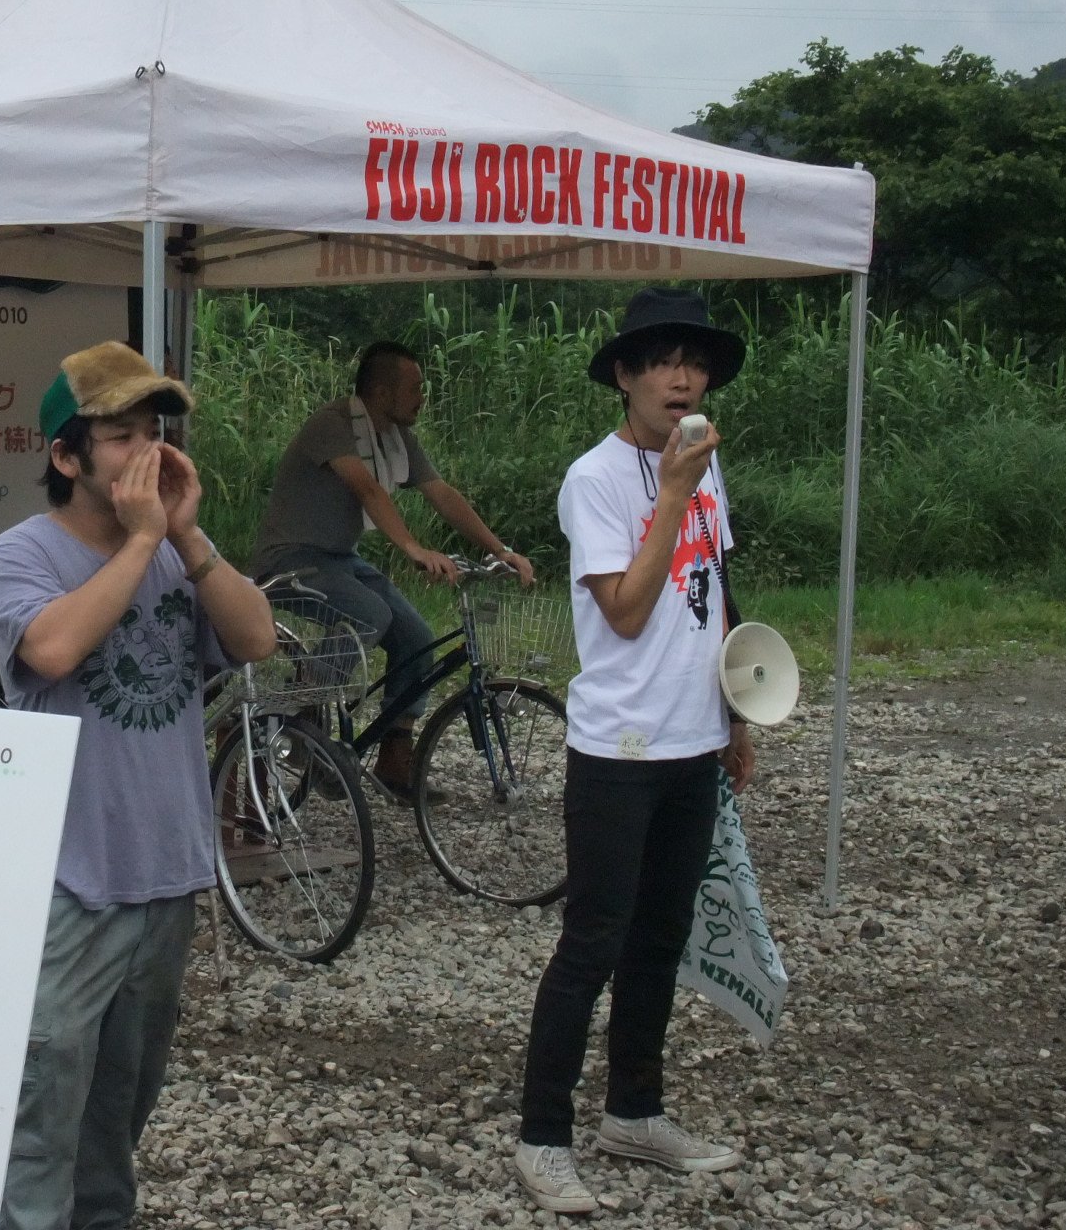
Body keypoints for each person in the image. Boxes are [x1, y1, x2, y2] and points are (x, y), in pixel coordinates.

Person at [0, 339, 275, 1230]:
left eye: (156, 429)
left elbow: (257, 638)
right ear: (65, 457)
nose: (148, 449)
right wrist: (148, 534)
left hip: (168, 873)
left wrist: (183, 534)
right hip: (71, 881)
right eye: (121, 435)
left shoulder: (173, 549)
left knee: (122, 1107)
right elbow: (54, 649)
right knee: (42, 1105)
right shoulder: (20, 553)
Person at [514, 288, 758, 1215]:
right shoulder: (601, 478)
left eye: (692, 361)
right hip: (619, 746)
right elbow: (625, 607)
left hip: (695, 740)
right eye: (659, 360)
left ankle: (635, 1111)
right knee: (593, 944)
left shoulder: (702, 465)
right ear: (624, 376)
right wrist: (669, 495)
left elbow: (717, 582)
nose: (681, 376)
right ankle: (543, 1138)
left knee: (661, 939)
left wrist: (737, 712)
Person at [249, 339, 532, 796]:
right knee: (369, 614)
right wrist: (413, 549)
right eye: (416, 387)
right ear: (381, 393)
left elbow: (441, 492)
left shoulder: (394, 437)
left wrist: (501, 550)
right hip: (288, 559)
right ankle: (300, 717)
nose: (423, 396)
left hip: (338, 558)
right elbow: (366, 489)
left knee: (416, 637)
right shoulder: (332, 424)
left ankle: (393, 760)